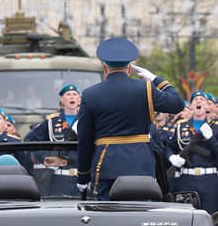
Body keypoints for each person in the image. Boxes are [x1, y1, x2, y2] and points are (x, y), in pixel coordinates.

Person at [76, 37, 184, 200]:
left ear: (105, 68)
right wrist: (156, 80)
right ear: (129, 69)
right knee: (140, 217)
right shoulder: (145, 88)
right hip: (141, 166)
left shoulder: (90, 94)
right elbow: (177, 104)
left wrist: (83, 176)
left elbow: (85, 141)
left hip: (106, 166)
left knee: (106, 217)